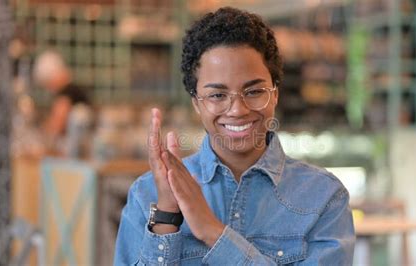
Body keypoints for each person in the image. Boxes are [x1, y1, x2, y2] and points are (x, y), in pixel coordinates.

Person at [115, 7, 355, 265]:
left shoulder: (324, 198)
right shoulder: (147, 194)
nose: (238, 110)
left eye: (253, 92)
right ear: (196, 103)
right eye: (217, 95)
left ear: (275, 93)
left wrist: (212, 232)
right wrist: (167, 217)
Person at [33, 50, 92, 156]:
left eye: (47, 83)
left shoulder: (66, 94)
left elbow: (57, 125)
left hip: (74, 154)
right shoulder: (74, 90)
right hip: (81, 153)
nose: (48, 88)